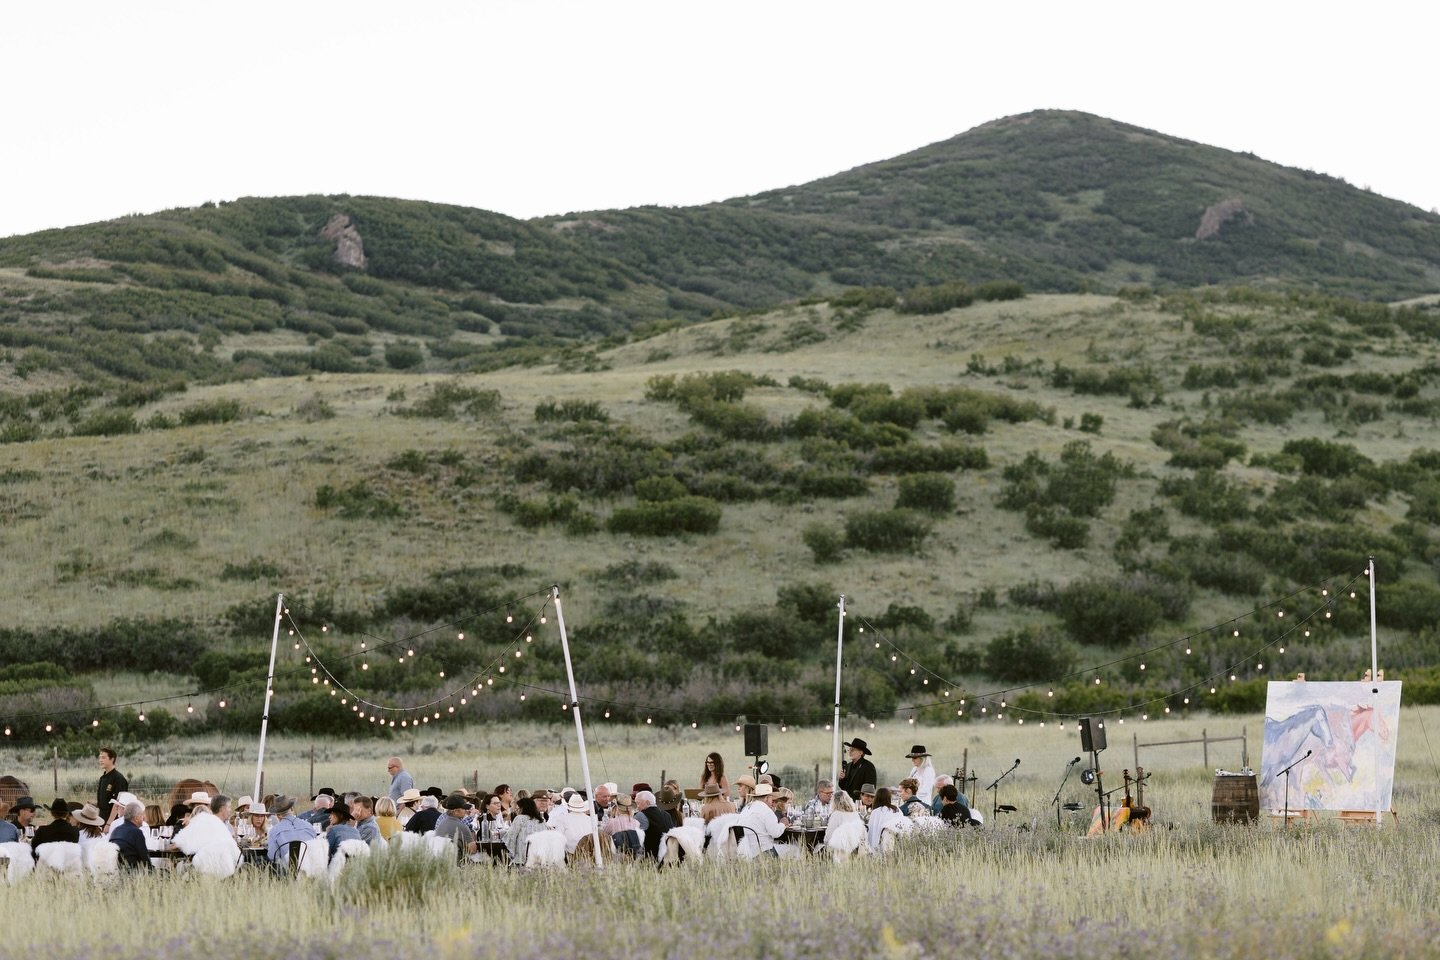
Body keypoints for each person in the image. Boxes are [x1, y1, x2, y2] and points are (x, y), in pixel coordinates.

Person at [735, 783, 786, 857]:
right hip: (764, 852)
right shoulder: (766, 810)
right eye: (771, 799)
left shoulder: (746, 809)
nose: (772, 802)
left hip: (747, 852)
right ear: (767, 798)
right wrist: (783, 824)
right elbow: (776, 833)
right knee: (794, 849)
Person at [266, 795, 316, 867]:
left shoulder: (274, 830)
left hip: (288, 869)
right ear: (292, 809)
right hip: (310, 868)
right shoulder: (308, 825)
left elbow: (272, 856)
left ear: (278, 815)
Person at [434, 794, 479, 861]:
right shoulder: (462, 826)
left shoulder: (442, 823)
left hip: (440, 861)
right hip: (457, 863)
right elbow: (473, 851)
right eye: (463, 809)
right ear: (456, 811)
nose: (466, 811)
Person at [110, 801, 152, 870]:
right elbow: (145, 858)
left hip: (118, 869)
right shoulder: (136, 832)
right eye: (141, 815)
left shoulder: (116, 830)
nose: (143, 818)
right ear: (136, 818)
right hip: (133, 870)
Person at [633, 790, 673, 860]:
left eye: (638, 803)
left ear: (647, 802)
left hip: (649, 858)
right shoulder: (667, 815)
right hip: (668, 856)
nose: (637, 807)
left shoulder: (640, 815)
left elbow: (635, 840)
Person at [96, 747, 128, 825]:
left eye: (103, 757)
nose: (100, 760)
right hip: (102, 819)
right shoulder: (103, 778)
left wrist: (109, 824)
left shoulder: (118, 778)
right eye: (100, 758)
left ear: (112, 759)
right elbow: (104, 802)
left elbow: (118, 803)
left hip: (113, 822)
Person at [867, 787, 903, 852]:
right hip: (896, 845)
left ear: (876, 798)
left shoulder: (876, 812)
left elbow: (871, 832)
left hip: (879, 846)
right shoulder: (897, 810)